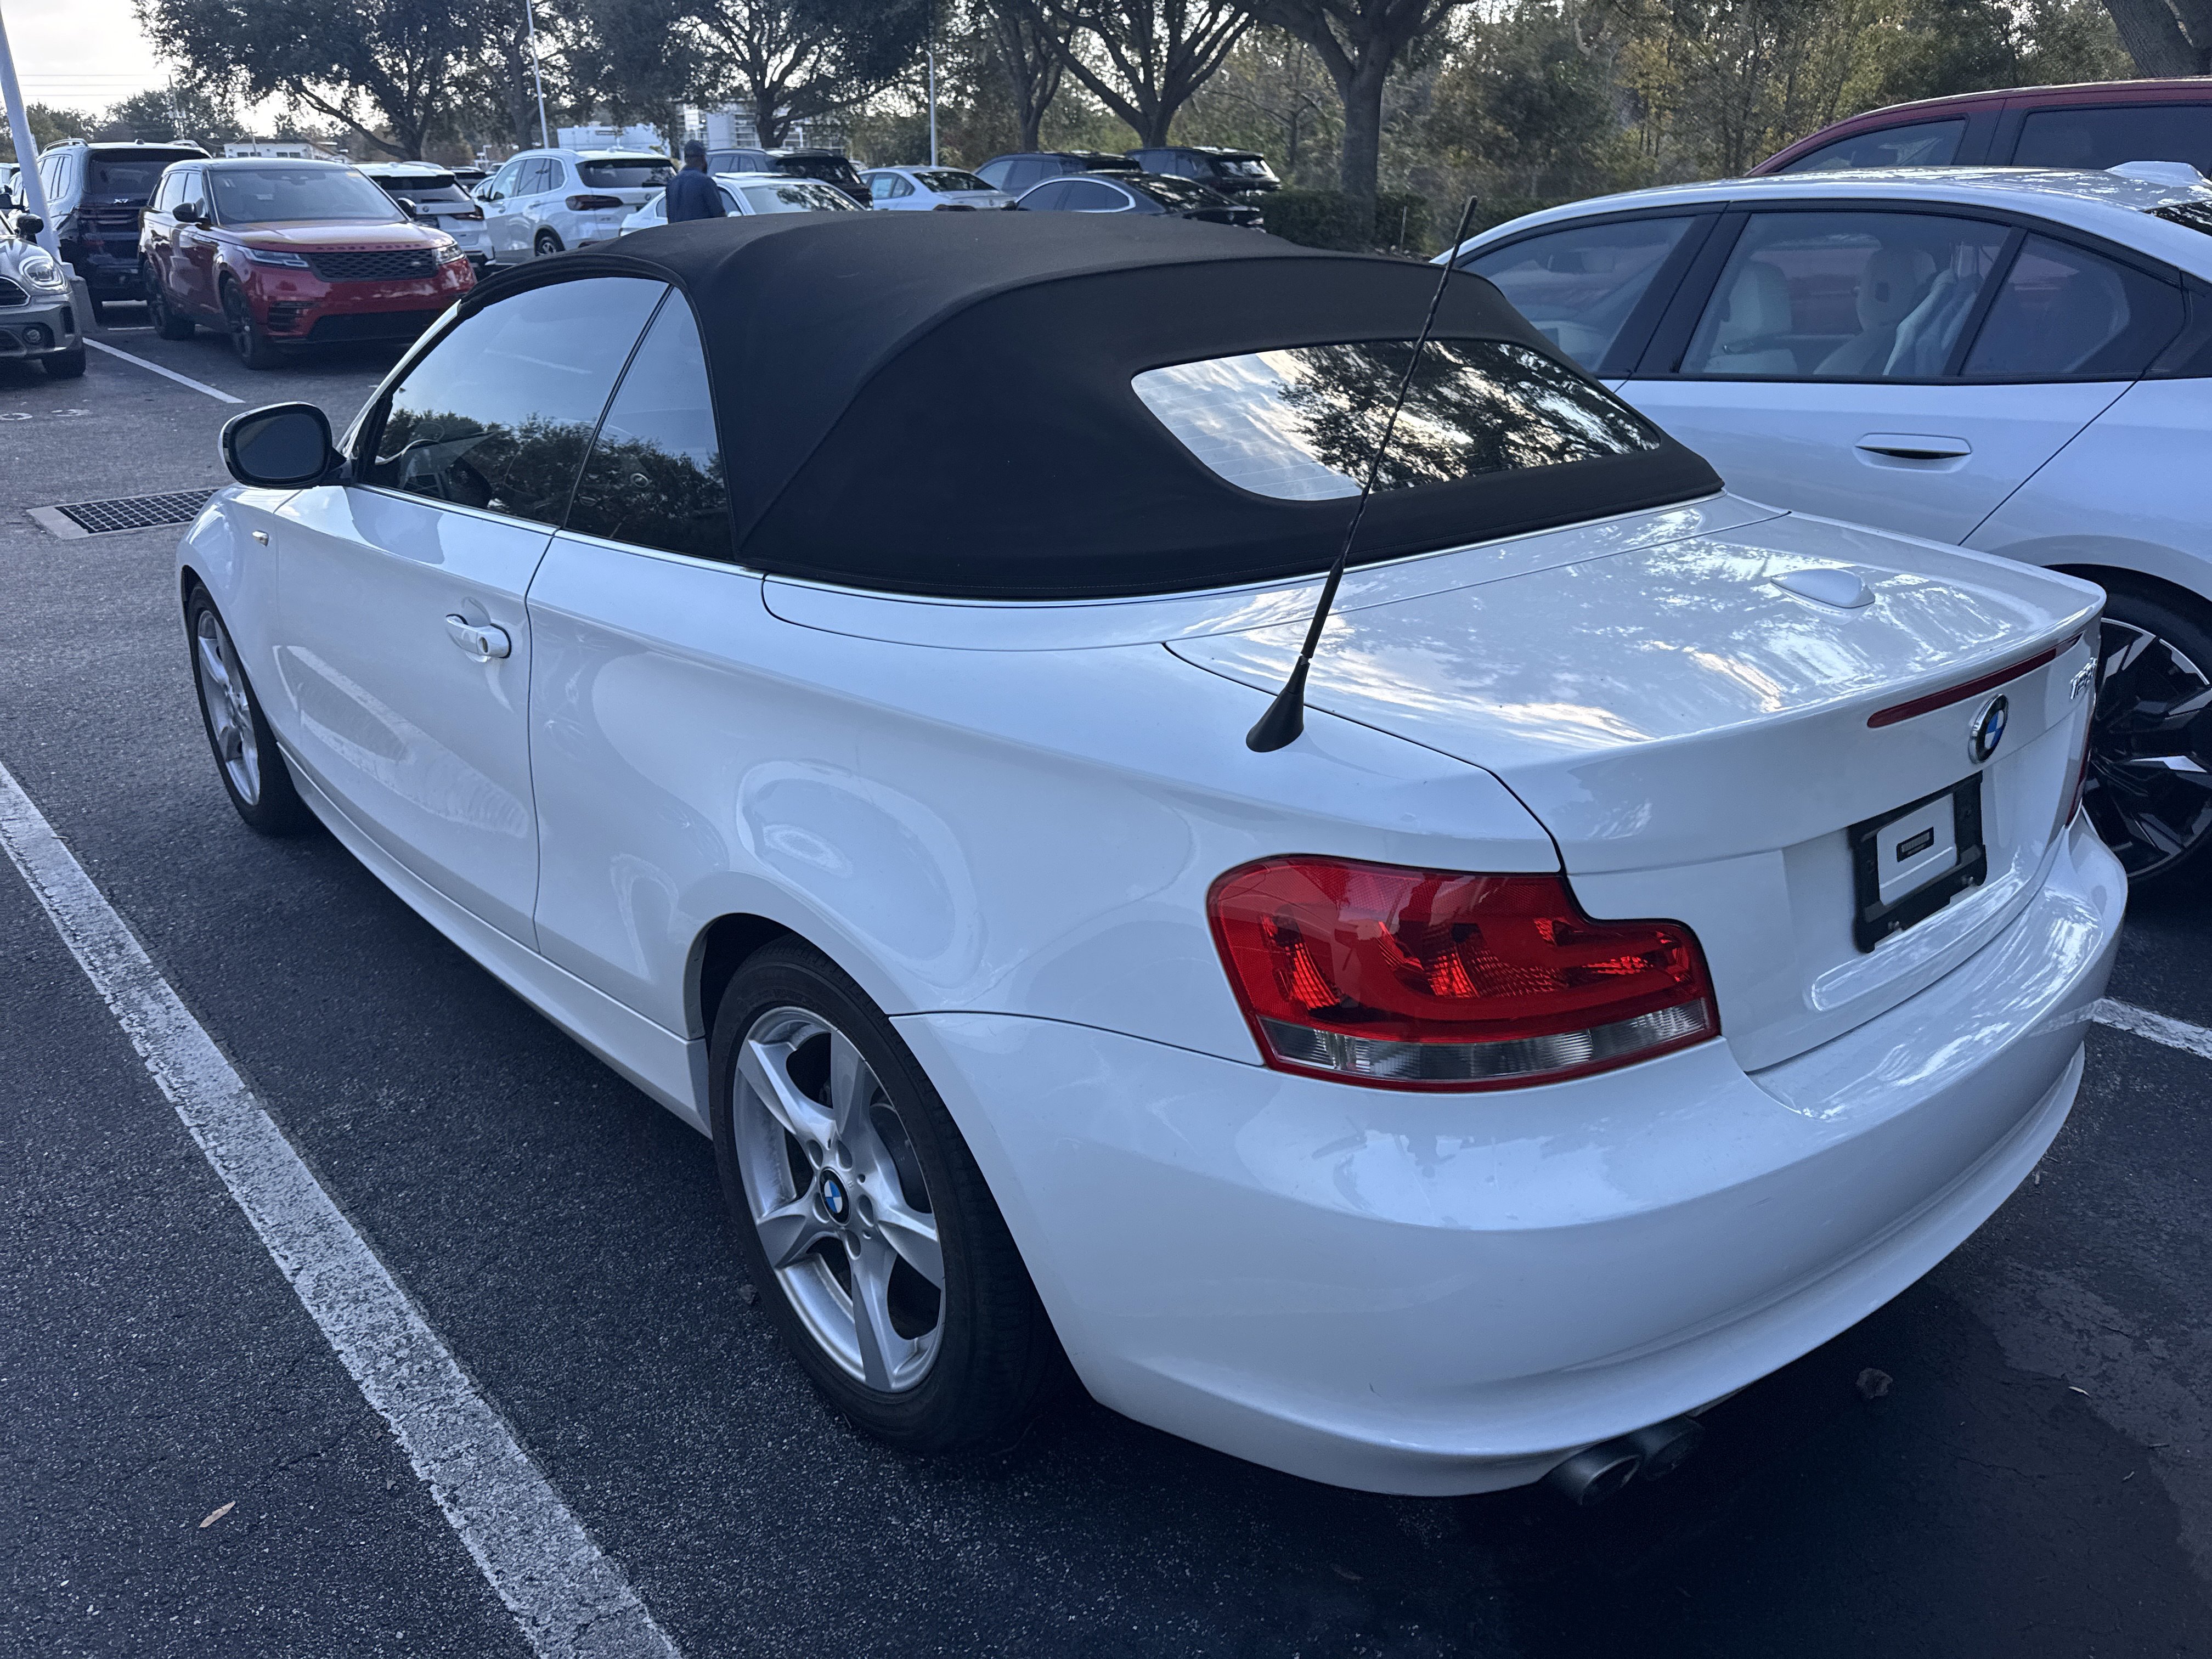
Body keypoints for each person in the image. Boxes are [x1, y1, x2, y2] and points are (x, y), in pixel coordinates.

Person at [664, 140, 728, 223]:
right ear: (703, 158)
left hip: (678, 235)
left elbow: (670, 218)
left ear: (686, 159)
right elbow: (720, 216)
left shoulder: (672, 184)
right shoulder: (706, 182)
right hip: (702, 234)